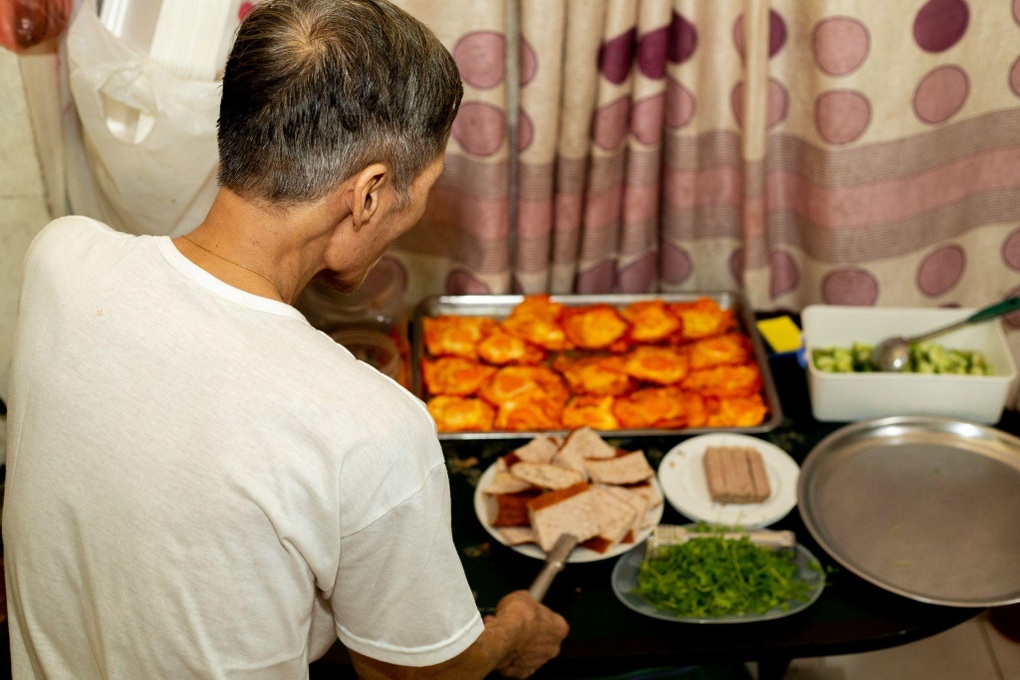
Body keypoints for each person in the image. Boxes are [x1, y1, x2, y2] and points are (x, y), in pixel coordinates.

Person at [2, 0, 568, 678]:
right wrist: (510, 635)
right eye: (425, 188)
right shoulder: (371, 429)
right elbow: (408, 673)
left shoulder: (60, 262)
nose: (418, 211)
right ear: (367, 197)